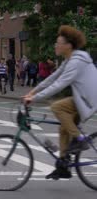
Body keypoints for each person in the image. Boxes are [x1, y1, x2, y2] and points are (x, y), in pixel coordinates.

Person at [24, 25, 97, 180]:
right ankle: (63, 167)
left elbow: (59, 84)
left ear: (68, 45)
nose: (56, 46)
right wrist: (33, 92)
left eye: (59, 43)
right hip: (83, 98)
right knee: (64, 129)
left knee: (57, 107)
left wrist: (35, 98)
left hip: (89, 100)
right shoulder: (69, 60)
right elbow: (53, 77)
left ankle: (79, 139)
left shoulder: (76, 62)